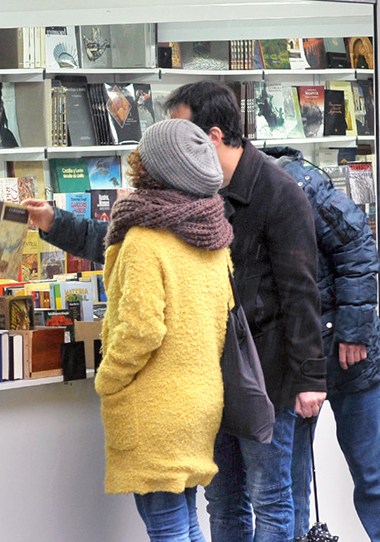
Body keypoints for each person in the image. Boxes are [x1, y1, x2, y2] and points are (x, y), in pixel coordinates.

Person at [26, 80, 327, 542]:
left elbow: (301, 290)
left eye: (182, 131)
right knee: (222, 501)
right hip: (211, 378)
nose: (178, 145)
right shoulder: (188, 205)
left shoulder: (277, 194)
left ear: (211, 136)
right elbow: (118, 241)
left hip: (265, 374)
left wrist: (310, 377)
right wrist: (56, 222)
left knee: (269, 497)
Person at [96, 119, 233, 542]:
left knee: (168, 527)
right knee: (186, 520)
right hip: (201, 400)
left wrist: (108, 379)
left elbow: (140, 328)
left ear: (148, 170)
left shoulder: (145, 240)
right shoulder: (213, 235)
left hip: (155, 407)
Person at [265, 148, 380, 542]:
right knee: (289, 490)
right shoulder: (228, 195)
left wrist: (354, 331)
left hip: (352, 358)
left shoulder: (299, 182)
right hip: (294, 364)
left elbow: (358, 248)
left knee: (374, 478)